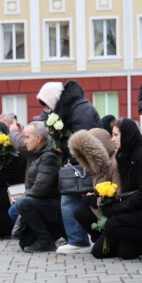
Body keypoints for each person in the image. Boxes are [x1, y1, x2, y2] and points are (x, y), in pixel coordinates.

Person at [36, 80, 102, 254]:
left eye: (48, 104)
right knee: (71, 199)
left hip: (84, 162)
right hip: (79, 162)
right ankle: (78, 239)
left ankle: (78, 240)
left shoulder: (80, 109)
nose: (49, 109)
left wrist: (63, 146)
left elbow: (83, 138)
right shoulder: (75, 108)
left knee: (70, 200)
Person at [88, 118, 142, 259]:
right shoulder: (123, 156)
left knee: (112, 224)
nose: (113, 140)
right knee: (118, 252)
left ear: (127, 135)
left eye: (116, 135)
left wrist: (117, 209)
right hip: (134, 208)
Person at [13, 121, 62, 252]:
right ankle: (49, 233)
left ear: (39, 138)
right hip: (46, 202)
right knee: (14, 211)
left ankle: (46, 241)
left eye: (27, 137)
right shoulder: (39, 154)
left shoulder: (49, 156)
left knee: (22, 204)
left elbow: (41, 189)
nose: (24, 142)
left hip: (55, 205)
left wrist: (23, 198)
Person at [69, 128, 121, 243]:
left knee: (80, 211)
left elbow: (118, 194)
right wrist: (93, 196)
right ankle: (100, 239)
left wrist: (94, 199)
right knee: (79, 211)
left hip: (112, 214)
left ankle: (105, 239)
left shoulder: (113, 164)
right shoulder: (98, 164)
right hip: (103, 210)